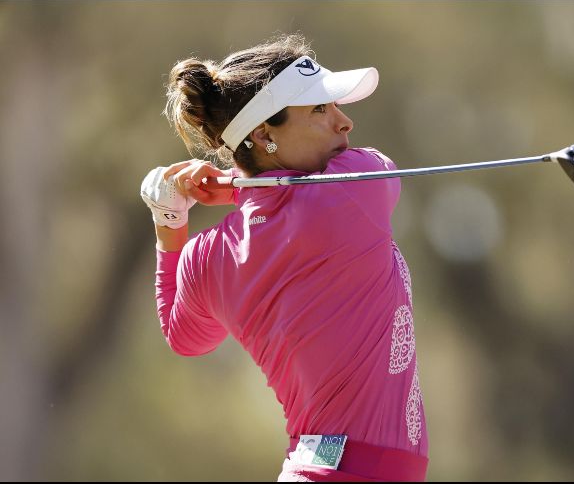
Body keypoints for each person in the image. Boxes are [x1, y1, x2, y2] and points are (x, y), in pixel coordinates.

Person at [139, 33, 428, 482]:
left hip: (313, 467)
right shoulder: (347, 193)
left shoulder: (206, 254)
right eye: (320, 109)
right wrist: (236, 187)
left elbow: (185, 337)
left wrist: (170, 219)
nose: (344, 122)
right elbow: (381, 166)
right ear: (262, 133)